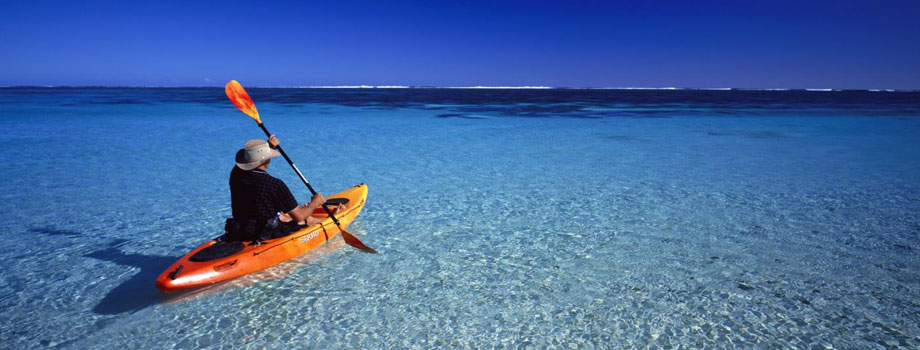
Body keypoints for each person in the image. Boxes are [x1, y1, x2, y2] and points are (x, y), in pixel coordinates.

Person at [226, 135, 343, 241]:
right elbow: (298, 216)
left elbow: (241, 167)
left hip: (240, 229)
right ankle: (335, 221)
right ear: (267, 159)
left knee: (284, 215)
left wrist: (268, 147)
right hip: (266, 233)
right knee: (306, 219)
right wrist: (315, 203)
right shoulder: (274, 184)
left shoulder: (236, 175)